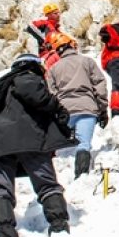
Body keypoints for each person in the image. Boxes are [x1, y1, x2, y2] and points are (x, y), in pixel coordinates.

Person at [0, 54, 75, 237]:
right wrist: (58, 109)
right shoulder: (27, 77)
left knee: (0, 191)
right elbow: (39, 97)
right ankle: (59, 225)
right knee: (46, 183)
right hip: (29, 140)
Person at [45, 32, 109, 179]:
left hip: (65, 111)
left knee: (64, 148)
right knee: (84, 143)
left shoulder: (54, 69)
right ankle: (81, 175)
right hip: (87, 108)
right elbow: (99, 84)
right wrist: (102, 108)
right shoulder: (87, 62)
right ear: (72, 45)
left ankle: (61, 176)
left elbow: (51, 93)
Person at [30, 2, 63, 68]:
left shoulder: (57, 29)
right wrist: (45, 41)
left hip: (54, 56)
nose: (58, 15)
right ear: (48, 15)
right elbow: (31, 26)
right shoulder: (45, 24)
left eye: (58, 13)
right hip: (46, 56)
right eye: (55, 13)